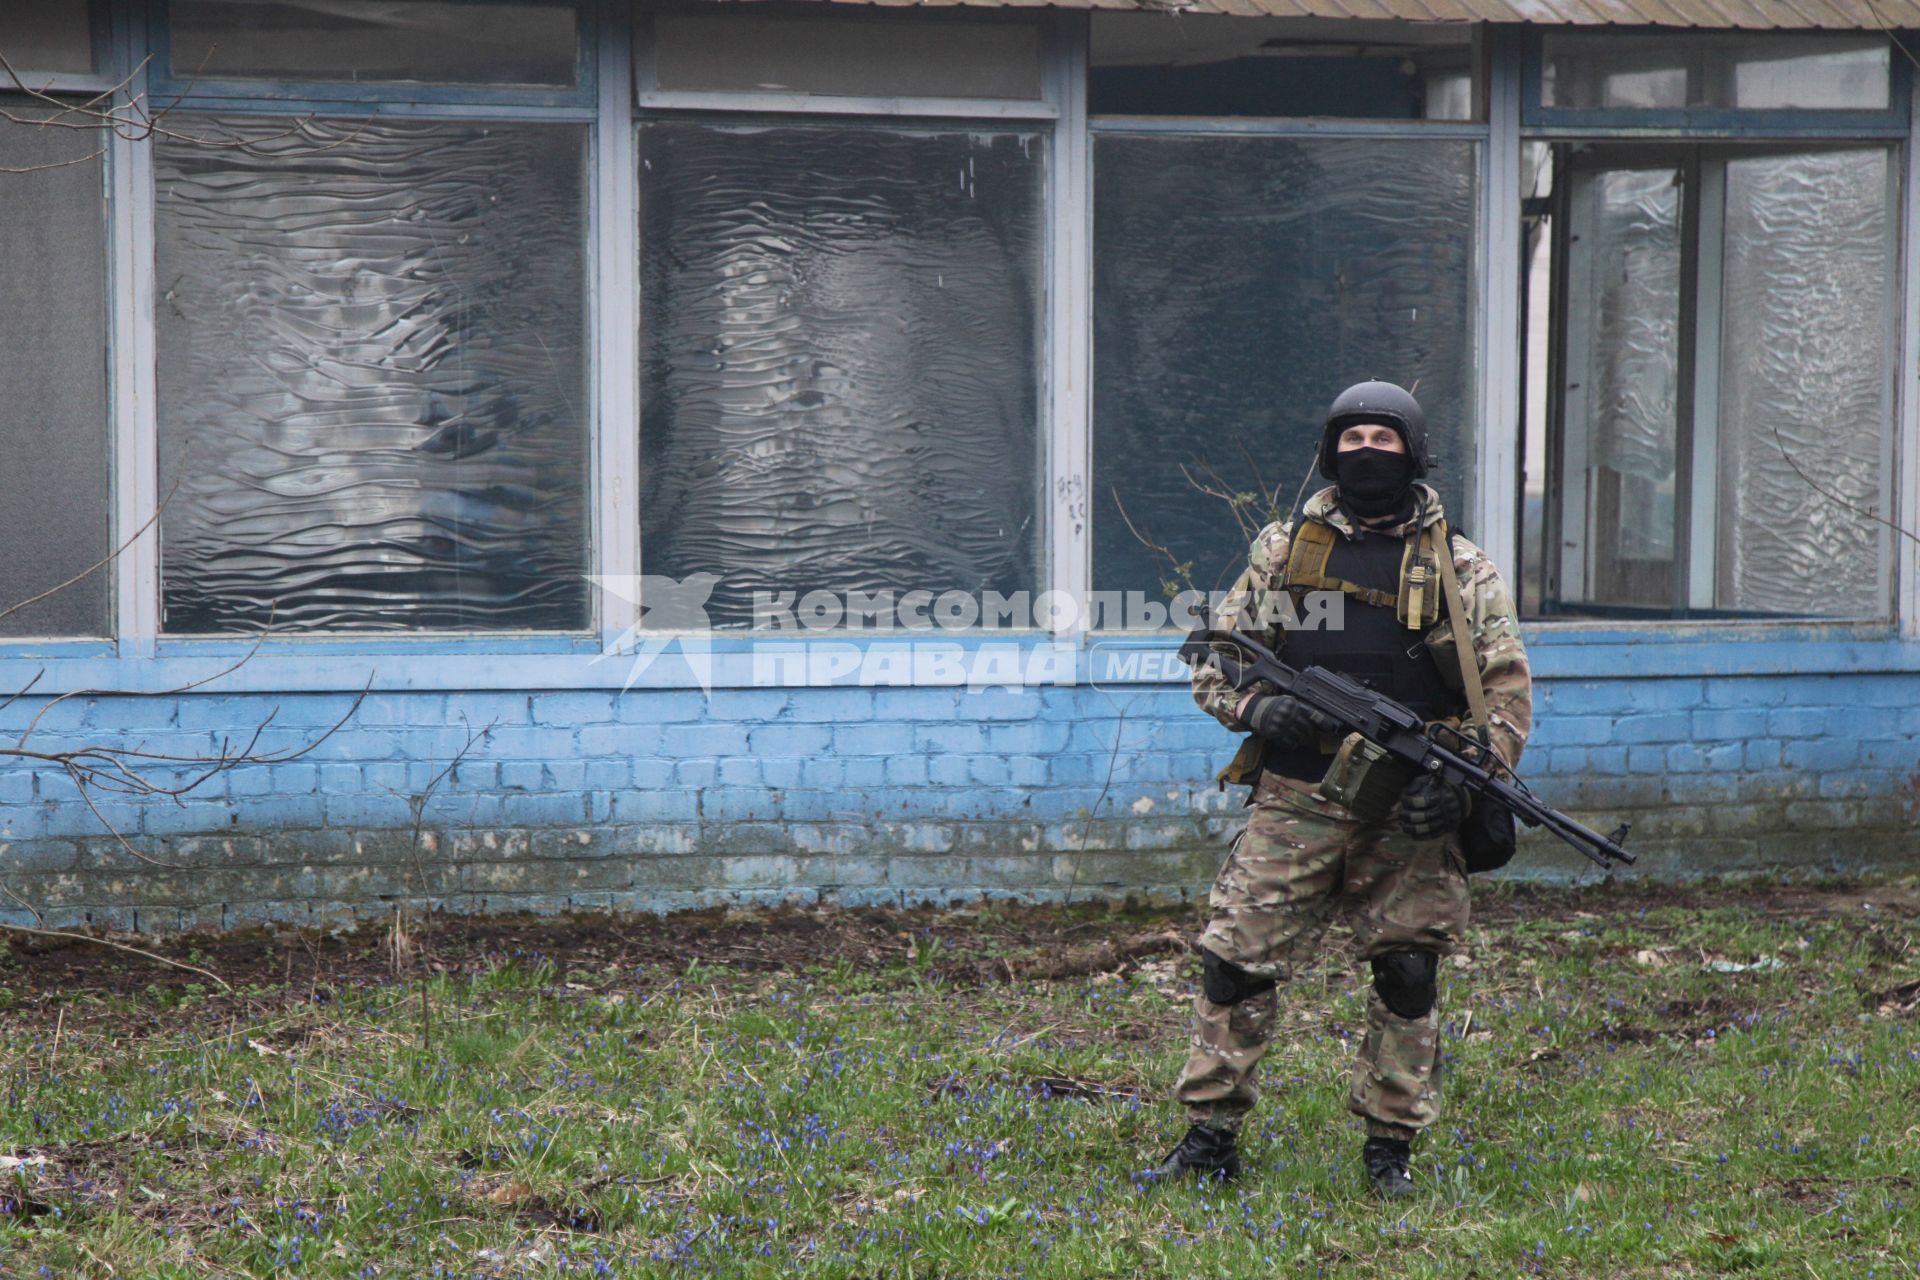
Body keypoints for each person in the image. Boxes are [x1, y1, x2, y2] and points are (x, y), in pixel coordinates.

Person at [1155, 380, 1532, 1198]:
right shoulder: (1284, 551)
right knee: (1235, 964)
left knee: (1408, 975)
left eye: (1385, 439)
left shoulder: (1461, 565)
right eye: (1352, 438)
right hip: (1298, 798)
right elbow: (1215, 655)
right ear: (1329, 451)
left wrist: (1468, 791)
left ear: (1415, 452)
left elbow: (1505, 696)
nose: (1368, 452)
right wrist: (1261, 707)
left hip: (1410, 806)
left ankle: (1388, 1151)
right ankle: (1209, 1139)